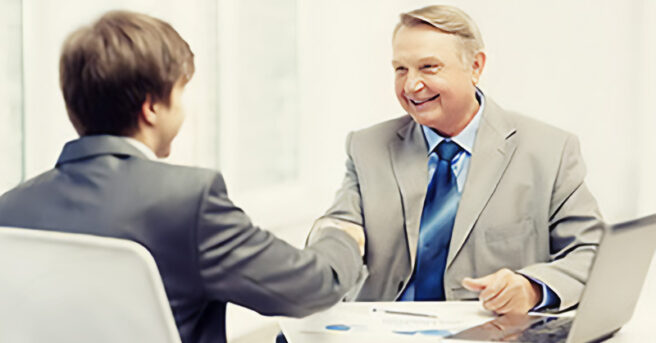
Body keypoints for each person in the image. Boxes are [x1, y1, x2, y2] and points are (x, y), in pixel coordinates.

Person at [0, 10, 365, 343]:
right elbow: (309, 287)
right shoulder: (188, 200)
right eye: (181, 91)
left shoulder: (11, 209)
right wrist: (341, 237)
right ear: (152, 107)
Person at [311, 5, 603, 314]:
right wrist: (333, 241)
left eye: (428, 67)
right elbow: (339, 226)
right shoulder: (367, 147)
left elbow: (591, 252)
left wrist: (532, 288)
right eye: (400, 69)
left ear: (475, 66)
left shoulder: (549, 151)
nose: (411, 85)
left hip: (489, 331)